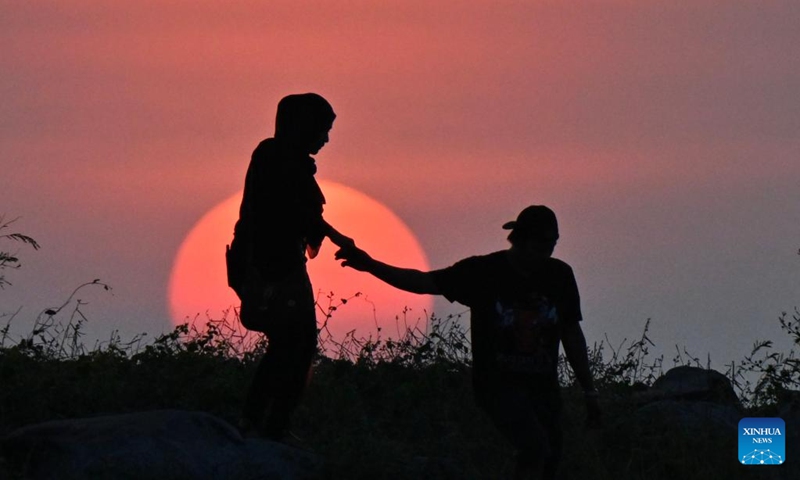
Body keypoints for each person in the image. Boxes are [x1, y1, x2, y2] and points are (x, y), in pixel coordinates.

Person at [332, 205, 601, 480]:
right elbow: (423, 282)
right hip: (497, 386)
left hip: (543, 389)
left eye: (551, 244)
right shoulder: (483, 272)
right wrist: (371, 265)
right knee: (535, 447)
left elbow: (571, 333)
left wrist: (589, 391)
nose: (545, 251)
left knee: (549, 459)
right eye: (540, 244)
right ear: (519, 239)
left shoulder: (560, 276)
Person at [229, 93, 337, 441]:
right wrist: (341, 238)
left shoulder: (287, 161)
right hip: (270, 266)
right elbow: (294, 213)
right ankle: (268, 426)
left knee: (291, 345)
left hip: (279, 264)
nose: (325, 139)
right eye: (322, 129)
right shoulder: (275, 158)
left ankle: (264, 423)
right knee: (296, 342)